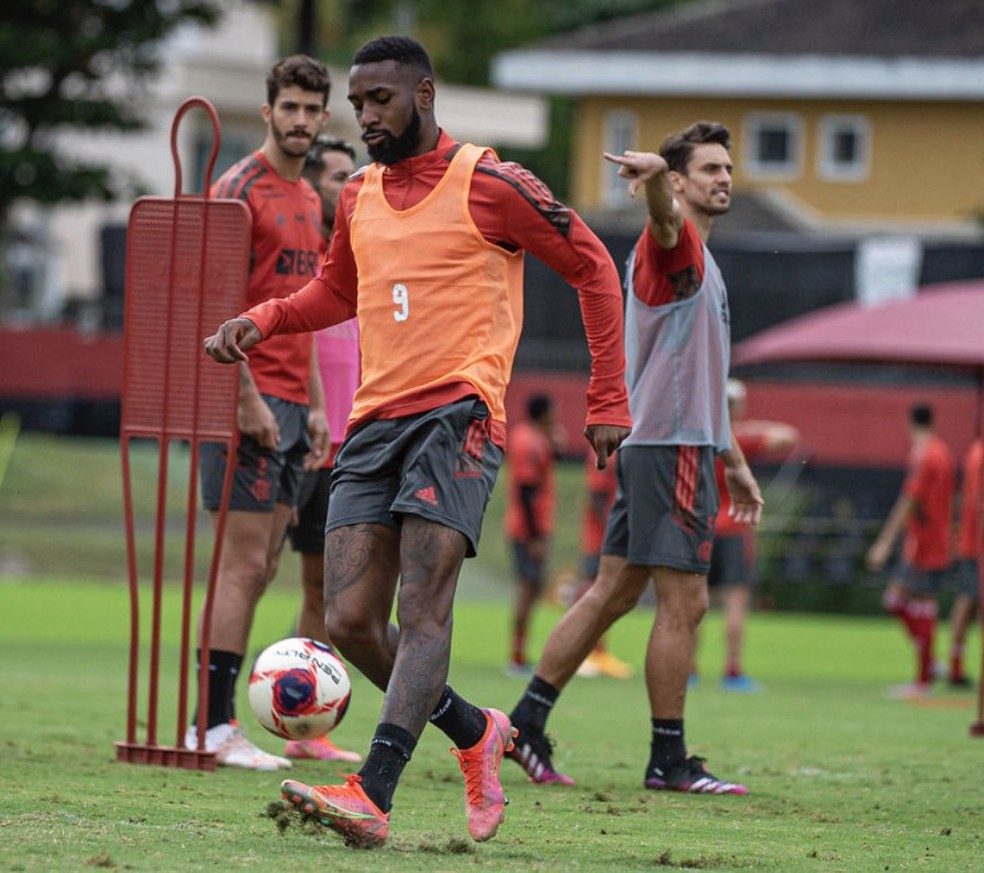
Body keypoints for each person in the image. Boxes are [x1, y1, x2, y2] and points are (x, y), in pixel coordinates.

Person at [203, 35, 631, 848]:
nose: (364, 116)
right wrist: (264, 319)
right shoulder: (358, 193)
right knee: (352, 619)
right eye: (357, 102)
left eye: (380, 101)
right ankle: (477, 731)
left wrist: (609, 393)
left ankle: (374, 791)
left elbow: (592, 266)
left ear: (424, 94)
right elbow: (335, 289)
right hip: (374, 421)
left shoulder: (491, 181)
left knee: (423, 610)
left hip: (458, 416)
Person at [506, 122, 762, 794]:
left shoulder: (702, 260)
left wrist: (731, 456)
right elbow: (665, 225)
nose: (724, 177)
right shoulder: (671, 243)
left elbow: (696, 376)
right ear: (678, 182)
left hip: (667, 444)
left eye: (727, 167)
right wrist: (653, 186)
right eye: (709, 168)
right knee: (687, 601)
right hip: (670, 450)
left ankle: (524, 723)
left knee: (613, 591)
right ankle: (668, 759)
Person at [188, 55, 332, 771]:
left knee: (265, 563)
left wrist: (316, 406)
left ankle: (226, 720)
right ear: (270, 109)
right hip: (242, 401)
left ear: (324, 117)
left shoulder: (308, 198)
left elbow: (299, 317)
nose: (300, 120)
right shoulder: (237, 187)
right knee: (241, 566)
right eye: (290, 107)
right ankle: (209, 725)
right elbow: (213, 301)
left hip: (290, 405)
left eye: (312, 109)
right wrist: (245, 399)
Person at [278, 136, 361, 763]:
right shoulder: (303, 258)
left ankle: (303, 726)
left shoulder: (363, 253)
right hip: (300, 436)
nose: (345, 185)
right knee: (250, 574)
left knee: (321, 591)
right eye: (335, 175)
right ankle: (213, 717)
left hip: (345, 448)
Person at [698, 378, 799, 693]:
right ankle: (732, 670)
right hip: (735, 527)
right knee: (736, 603)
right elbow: (789, 437)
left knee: (693, 603)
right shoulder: (739, 438)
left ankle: (687, 670)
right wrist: (748, 424)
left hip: (702, 526)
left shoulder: (701, 437)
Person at [866, 402, 956, 699]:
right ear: (936, 420)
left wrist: (884, 542)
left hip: (923, 542)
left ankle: (924, 677)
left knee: (905, 601)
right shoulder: (942, 452)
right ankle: (929, 665)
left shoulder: (924, 455)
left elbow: (910, 501)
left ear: (909, 422)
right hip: (937, 537)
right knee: (907, 601)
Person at [504, 393, 560, 676]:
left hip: (525, 526)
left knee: (533, 587)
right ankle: (516, 656)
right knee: (528, 588)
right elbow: (526, 490)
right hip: (528, 528)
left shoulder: (525, 435)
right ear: (543, 413)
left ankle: (519, 652)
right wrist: (535, 536)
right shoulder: (532, 441)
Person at [574, 451, 634, 679]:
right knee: (592, 587)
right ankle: (583, 651)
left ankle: (598, 652)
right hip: (600, 537)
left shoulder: (618, 447)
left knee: (605, 590)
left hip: (609, 534)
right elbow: (597, 494)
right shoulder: (604, 450)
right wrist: (613, 530)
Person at [946, 437, 981, 688]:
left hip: (971, 541)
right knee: (969, 599)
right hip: (977, 544)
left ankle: (956, 664)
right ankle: (955, 666)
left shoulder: (975, 452)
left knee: (967, 600)